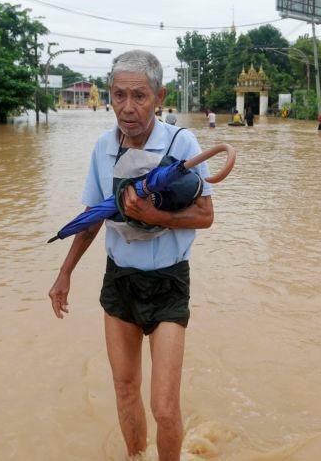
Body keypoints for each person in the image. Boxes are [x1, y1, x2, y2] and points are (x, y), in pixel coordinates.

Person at [48, 50, 214, 461]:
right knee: (124, 389)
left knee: (164, 407)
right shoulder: (103, 147)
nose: (127, 107)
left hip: (168, 283)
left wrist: (156, 216)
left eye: (139, 96)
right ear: (109, 95)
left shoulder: (180, 144)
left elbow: (205, 215)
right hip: (119, 280)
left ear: (159, 96)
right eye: (119, 95)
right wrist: (64, 273)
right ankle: (136, 456)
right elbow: (92, 217)